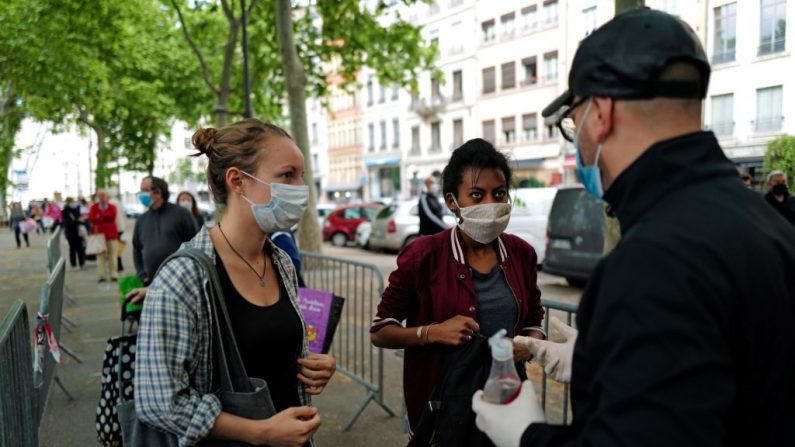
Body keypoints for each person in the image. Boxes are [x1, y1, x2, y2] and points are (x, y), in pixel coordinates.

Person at [471, 8, 795, 447]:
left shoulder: (651, 260)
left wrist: (527, 437)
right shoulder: (770, 224)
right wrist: (606, 358)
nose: (578, 140)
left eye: (573, 123)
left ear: (601, 114)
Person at [135, 118, 336, 446]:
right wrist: (262, 433)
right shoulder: (183, 277)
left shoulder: (280, 261)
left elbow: (272, 350)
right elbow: (159, 401)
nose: (301, 189)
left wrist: (313, 365)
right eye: (287, 175)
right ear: (238, 181)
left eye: (302, 176)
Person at [370, 138, 546, 440]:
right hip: (442, 411)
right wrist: (431, 332)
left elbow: (532, 320)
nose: (490, 203)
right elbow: (380, 331)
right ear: (453, 201)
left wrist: (529, 346)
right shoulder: (423, 256)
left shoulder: (521, 254)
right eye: (477, 195)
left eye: (499, 193)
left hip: (507, 406)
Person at [126, 177, 198, 304]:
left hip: (180, 283)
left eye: (145, 190)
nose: (141, 194)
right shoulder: (141, 220)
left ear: (158, 192)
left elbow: (196, 244)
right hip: (151, 282)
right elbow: (136, 249)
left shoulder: (181, 214)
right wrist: (142, 274)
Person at [89, 190, 120, 282]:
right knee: (100, 256)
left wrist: (99, 216)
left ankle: (113, 274)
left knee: (113, 255)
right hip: (99, 235)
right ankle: (101, 275)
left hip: (111, 234)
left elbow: (112, 216)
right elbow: (92, 218)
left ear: (107, 197)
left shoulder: (112, 207)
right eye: (100, 196)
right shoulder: (94, 207)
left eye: (103, 196)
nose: (102, 198)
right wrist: (103, 217)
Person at [62, 197, 86, 269]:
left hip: (78, 232)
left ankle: (81, 263)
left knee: (80, 248)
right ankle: (73, 263)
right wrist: (77, 221)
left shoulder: (76, 209)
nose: (73, 203)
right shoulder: (65, 211)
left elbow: (80, 217)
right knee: (72, 248)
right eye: (71, 202)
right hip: (70, 233)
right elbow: (67, 223)